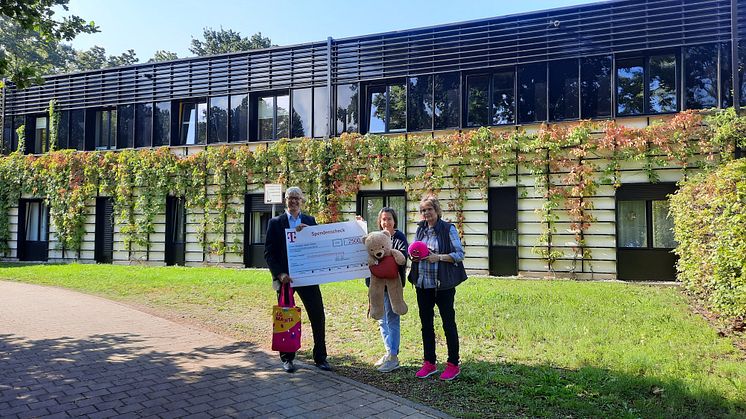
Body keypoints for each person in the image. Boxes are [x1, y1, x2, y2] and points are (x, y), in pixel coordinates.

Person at [264, 186, 331, 373]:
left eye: (296, 198)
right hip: (286, 280)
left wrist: (310, 232)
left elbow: (319, 246)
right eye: (289, 198)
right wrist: (279, 274)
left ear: (302, 200)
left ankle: (320, 358)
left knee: (318, 315)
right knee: (286, 318)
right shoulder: (276, 222)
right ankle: (287, 359)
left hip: (307, 277)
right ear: (285, 200)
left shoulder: (310, 220)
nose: (293, 201)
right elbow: (269, 253)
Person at [408, 195, 467, 381]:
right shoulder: (420, 229)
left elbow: (459, 254)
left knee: (448, 323)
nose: (426, 213)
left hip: (443, 285)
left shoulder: (448, 229)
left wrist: (439, 257)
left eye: (429, 209)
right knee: (426, 324)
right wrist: (413, 257)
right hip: (423, 284)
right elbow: (415, 250)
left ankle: (453, 364)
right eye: (423, 210)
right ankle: (429, 363)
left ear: (437, 210)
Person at [365, 207, 408, 373]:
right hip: (377, 286)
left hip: (393, 287)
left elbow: (402, 259)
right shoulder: (376, 237)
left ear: (394, 220)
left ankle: (394, 356)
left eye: (389, 219)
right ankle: (388, 351)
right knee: (382, 320)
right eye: (383, 219)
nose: (386, 222)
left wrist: (385, 255)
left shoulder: (399, 237)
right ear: (379, 221)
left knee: (392, 318)